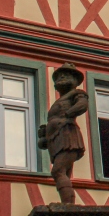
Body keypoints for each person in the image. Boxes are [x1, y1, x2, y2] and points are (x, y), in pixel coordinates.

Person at [38, 63, 89, 204]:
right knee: (64, 172)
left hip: (67, 134)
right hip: (58, 137)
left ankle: (68, 205)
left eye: (66, 75)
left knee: (58, 171)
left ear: (74, 80)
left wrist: (68, 114)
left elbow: (82, 105)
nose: (61, 77)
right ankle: (68, 203)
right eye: (59, 75)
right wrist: (45, 132)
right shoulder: (59, 100)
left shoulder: (77, 93)